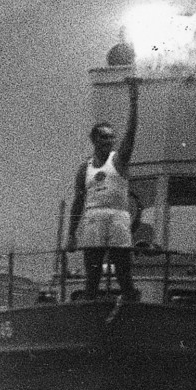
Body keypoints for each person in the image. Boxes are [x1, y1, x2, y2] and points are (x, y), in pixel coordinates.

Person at [66, 77, 139, 301]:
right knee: (93, 273)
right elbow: (78, 201)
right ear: (94, 139)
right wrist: (71, 234)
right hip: (93, 218)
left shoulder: (119, 159)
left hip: (118, 218)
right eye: (104, 137)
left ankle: (131, 306)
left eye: (111, 137)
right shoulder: (84, 168)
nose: (109, 141)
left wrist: (134, 97)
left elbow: (132, 130)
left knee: (123, 270)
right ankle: (90, 309)